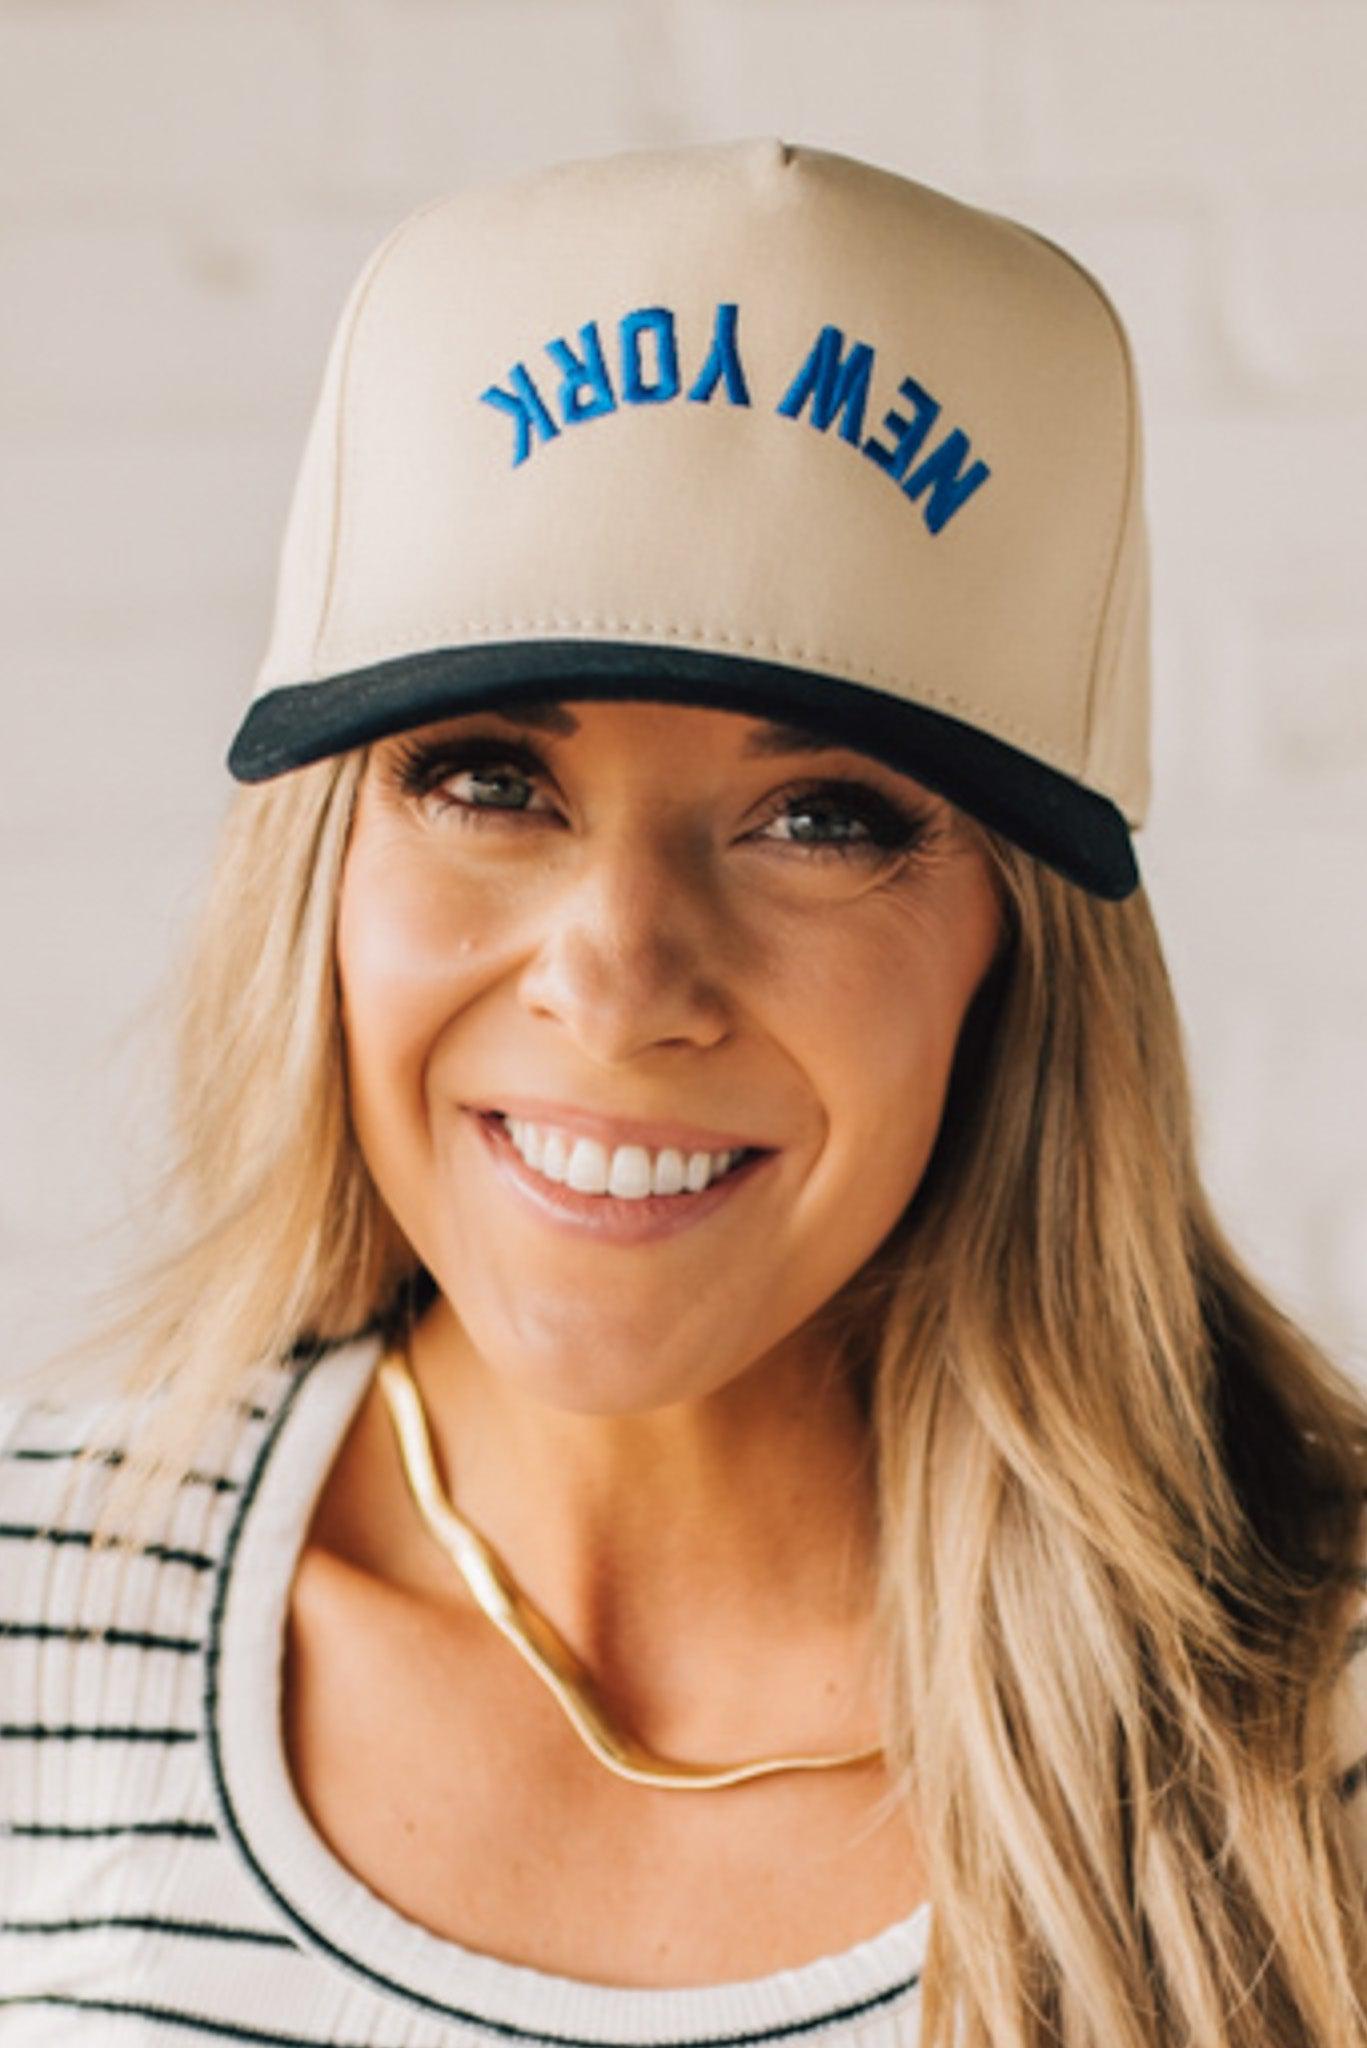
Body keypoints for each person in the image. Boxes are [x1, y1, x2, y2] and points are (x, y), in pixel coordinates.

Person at [1, 137, 1365, 2048]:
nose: (621, 982)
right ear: (319, 867)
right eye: (486, 777)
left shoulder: (1322, 1732)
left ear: (1017, 955)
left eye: (823, 816)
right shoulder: (34, 1614)